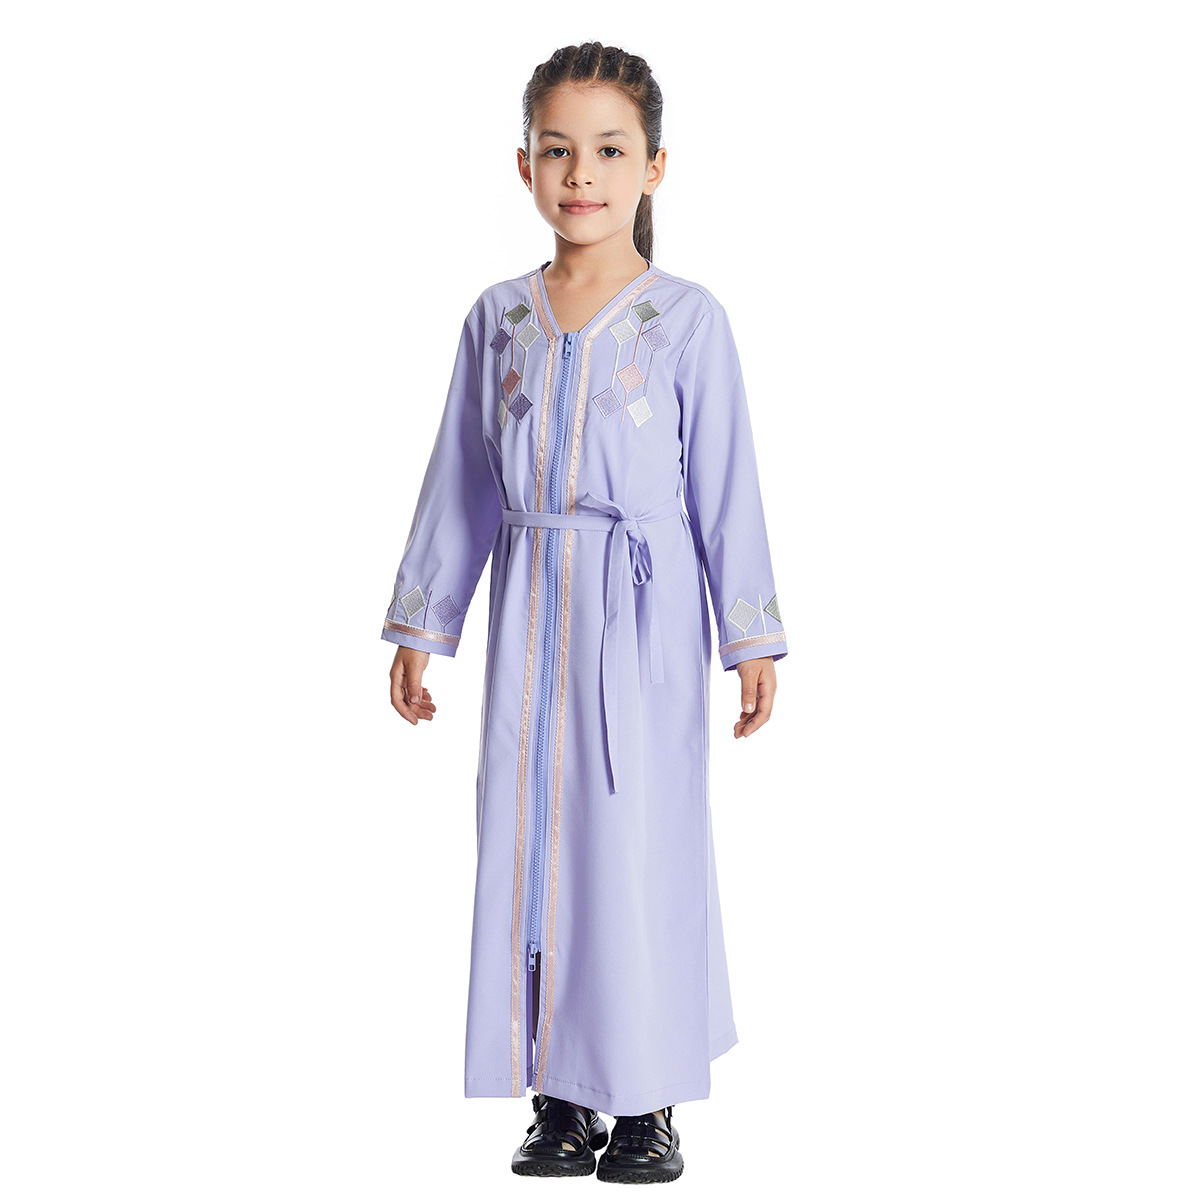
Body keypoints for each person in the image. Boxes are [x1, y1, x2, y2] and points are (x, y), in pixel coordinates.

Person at [381, 41, 788, 1184]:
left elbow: (727, 483)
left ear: (654, 166)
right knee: (534, 842)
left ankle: (647, 1100)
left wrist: (749, 636)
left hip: (643, 619)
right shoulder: (499, 320)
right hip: (532, 612)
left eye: (609, 151)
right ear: (524, 165)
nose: (582, 175)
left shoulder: (687, 321)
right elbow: (462, 479)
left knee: (635, 845)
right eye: (557, 150)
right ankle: (559, 1095)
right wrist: (423, 625)